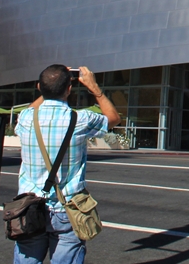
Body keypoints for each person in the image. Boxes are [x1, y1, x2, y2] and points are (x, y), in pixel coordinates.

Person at [14, 65, 120, 264]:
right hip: (67, 208)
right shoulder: (80, 120)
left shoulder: (27, 118)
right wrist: (94, 88)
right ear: (69, 90)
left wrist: (48, 88)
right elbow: (113, 118)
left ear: (39, 87)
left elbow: (33, 107)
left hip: (29, 208)